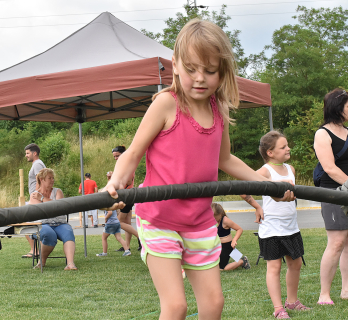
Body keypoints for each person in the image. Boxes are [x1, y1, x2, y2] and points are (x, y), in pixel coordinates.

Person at [103, 19, 294, 320]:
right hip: (159, 221)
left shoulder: (219, 110)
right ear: (175, 64)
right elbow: (133, 153)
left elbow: (226, 159)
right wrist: (115, 181)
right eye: (191, 68)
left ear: (223, 72)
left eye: (209, 70)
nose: (200, 78)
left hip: (200, 223)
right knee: (176, 306)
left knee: (214, 304)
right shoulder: (166, 104)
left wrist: (266, 184)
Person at [256, 131, 310, 319]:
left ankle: (292, 302)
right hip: (271, 228)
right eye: (283, 147)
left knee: (295, 264)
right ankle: (278, 308)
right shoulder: (264, 171)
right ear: (270, 152)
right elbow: (244, 189)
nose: (288, 149)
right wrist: (256, 206)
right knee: (274, 267)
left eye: (287, 145)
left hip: (291, 227)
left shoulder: (291, 169)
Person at [314, 88, 348, 305]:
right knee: (336, 243)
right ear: (338, 107)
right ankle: (324, 294)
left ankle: (346, 290)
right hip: (333, 193)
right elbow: (330, 168)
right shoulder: (322, 134)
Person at [29, 168, 77, 271]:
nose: (52, 180)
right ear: (41, 179)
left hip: (60, 223)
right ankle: (42, 261)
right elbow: (42, 211)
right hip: (43, 224)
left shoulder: (57, 191)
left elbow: (58, 206)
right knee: (49, 234)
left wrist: (42, 199)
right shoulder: (34, 195)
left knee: (68, 232)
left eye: (53, 178)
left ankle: (70, 264)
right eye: (49, 178)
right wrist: (49, 202)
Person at [111, 146, 141, 251]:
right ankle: (127, 246)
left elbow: (128, 182)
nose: (116, 158)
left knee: (119, 222)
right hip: (127, 196)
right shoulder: (124, 165)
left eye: (117, 156)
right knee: (127, 223)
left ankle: (141, 238)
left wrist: (115, 177)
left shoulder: (127, 165)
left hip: (127, 196)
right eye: (114, 157)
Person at [96, 172, 131, 257]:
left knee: (104, 237)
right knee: (119, 237)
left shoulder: (107, 204)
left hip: (110, 223)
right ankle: (127, 250)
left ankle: (104, 253)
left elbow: (110, 212)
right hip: (116, 222)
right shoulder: (112, 202)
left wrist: (105, 219)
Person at [22, 143, 46, 258]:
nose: (26, 155)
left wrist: (36, 195)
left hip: (36, 199)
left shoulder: (37, 164)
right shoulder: (37, 164)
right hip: (35, 198)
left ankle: (35, 250)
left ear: (34, 153)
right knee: (29, 224)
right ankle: (36, 249)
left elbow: (40, 180)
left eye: (27, 153)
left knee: (26, 224)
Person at [211, 203, 250, 271]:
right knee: (216, 266)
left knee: (223, 268)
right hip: (219, 246)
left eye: (214, 217)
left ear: (220, 214)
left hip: (227, 246)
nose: (213, 219)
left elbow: (239, 229)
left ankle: (243, 261)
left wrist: (234, 240)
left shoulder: (225, 220)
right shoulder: (215, 221)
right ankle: (236, 258)